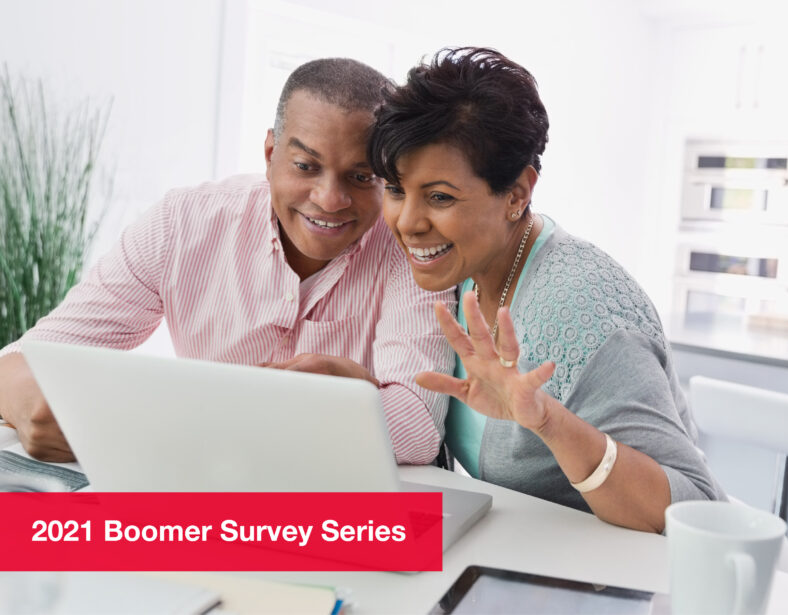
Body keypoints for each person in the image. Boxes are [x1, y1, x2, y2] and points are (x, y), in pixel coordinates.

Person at [0, 58, 454, 465]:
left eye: (361, 176)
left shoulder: (411, 245)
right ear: (271, 154)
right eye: (305, 166)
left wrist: (341, 397)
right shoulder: (180, 224)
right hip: (207, 497)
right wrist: (26, 400)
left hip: (340, 507)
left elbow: (418, 428)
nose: (330, 199)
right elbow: (20, 360)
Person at [368, 47, 726, 533]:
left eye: (439, 197)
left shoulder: (583, 309)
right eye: (394, 190)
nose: (407, 223)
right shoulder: (460, 267)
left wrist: (548, 422)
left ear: (516, 195)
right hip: (513, 557)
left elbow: (691, 506)